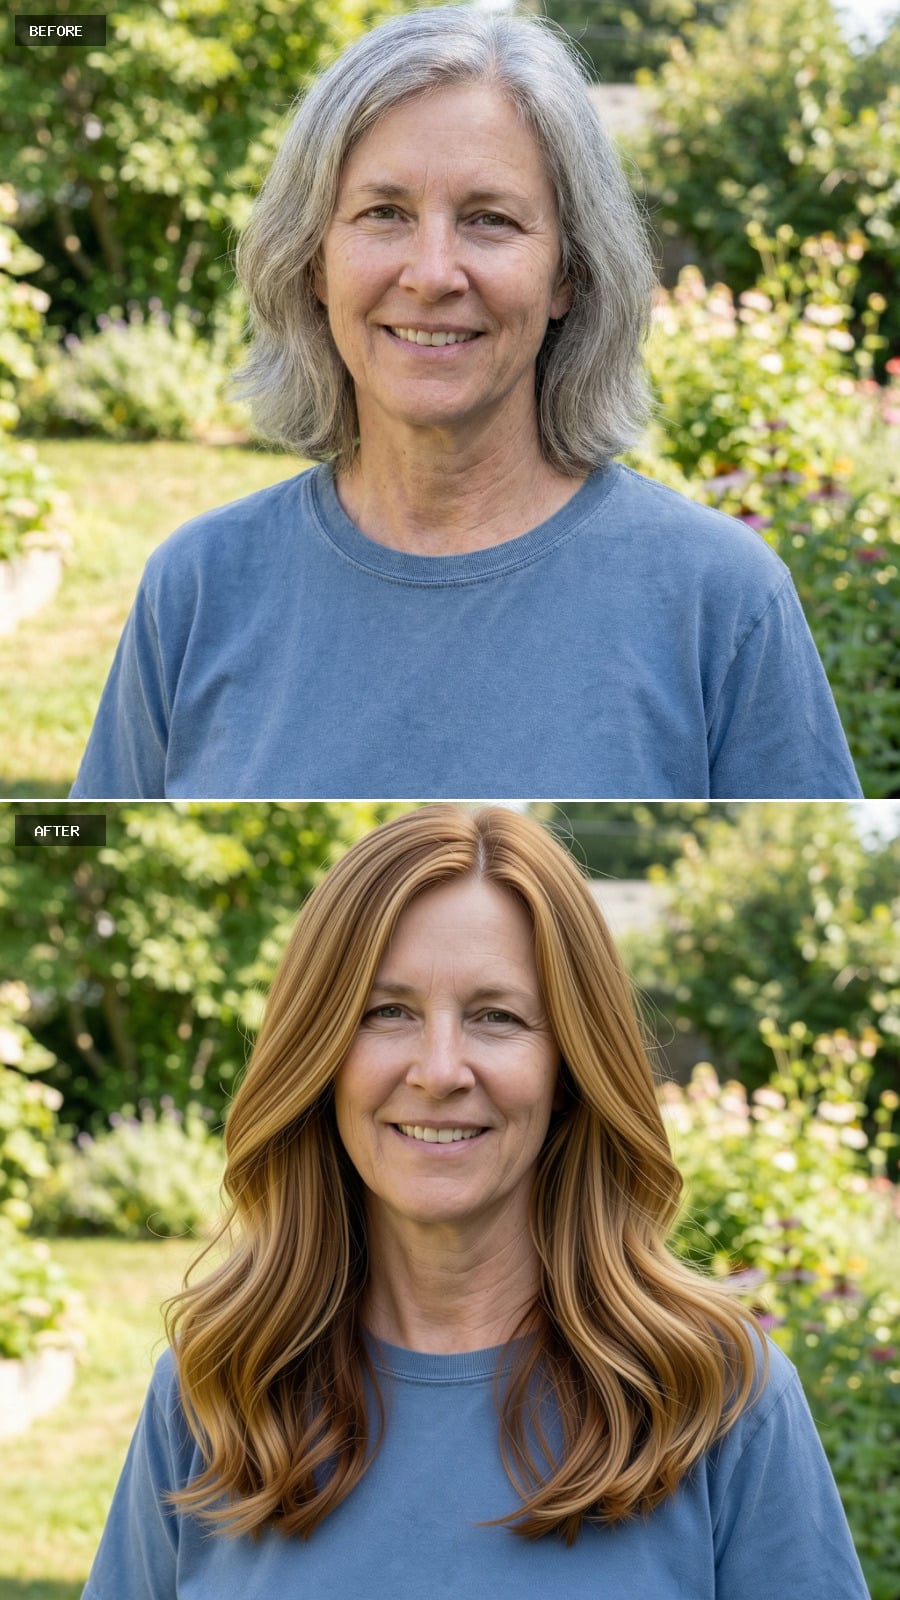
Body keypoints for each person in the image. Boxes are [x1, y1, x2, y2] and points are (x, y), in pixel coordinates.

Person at [70, 7, 861, 801]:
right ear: (313, 262)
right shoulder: (199, 585)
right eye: (385, 213)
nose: (433, 272)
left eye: (491, 219)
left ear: (568, 275)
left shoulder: (720, 601)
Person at [83, 805, 870, 1599]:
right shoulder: (217, 1388)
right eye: (387, 1012)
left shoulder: (721, 1397)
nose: (440, 1070)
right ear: (319, 1053)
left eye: (496, 1016)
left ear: (569, 1067)